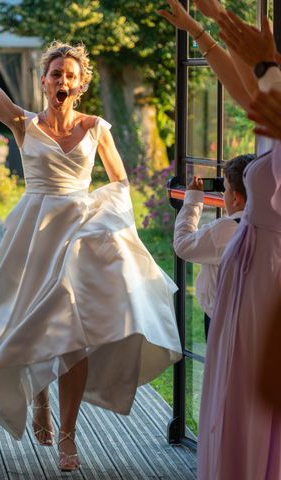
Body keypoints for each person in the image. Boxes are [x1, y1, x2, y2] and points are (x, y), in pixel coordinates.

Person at [0, 0, 182, 472]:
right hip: (34, 233)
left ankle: (68, 435)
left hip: (79, 236)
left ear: (80, 84)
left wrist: (103, 220)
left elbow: (120, 182)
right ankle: (37, 398)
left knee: (75, 336)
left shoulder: (96, 128)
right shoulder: (24, 124)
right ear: (43, 81)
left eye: (69, 75)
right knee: (35, 325)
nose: (62, 81)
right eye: (55, 73)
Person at [186, 9, 281, 479]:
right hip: (253, 263)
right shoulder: (275, 111)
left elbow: (259, 84)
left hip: (269, 272)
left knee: (253, 391)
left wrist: (265, 63)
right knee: (236, 387)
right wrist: (205, 23)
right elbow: (248, 91)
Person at [173, 154, 255, 340]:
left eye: (224, 189)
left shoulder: (226, 229)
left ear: (235, 198)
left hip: (223, 319)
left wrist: (193, 200)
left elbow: (182, 244)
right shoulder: (269, 225)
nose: (222, 194)